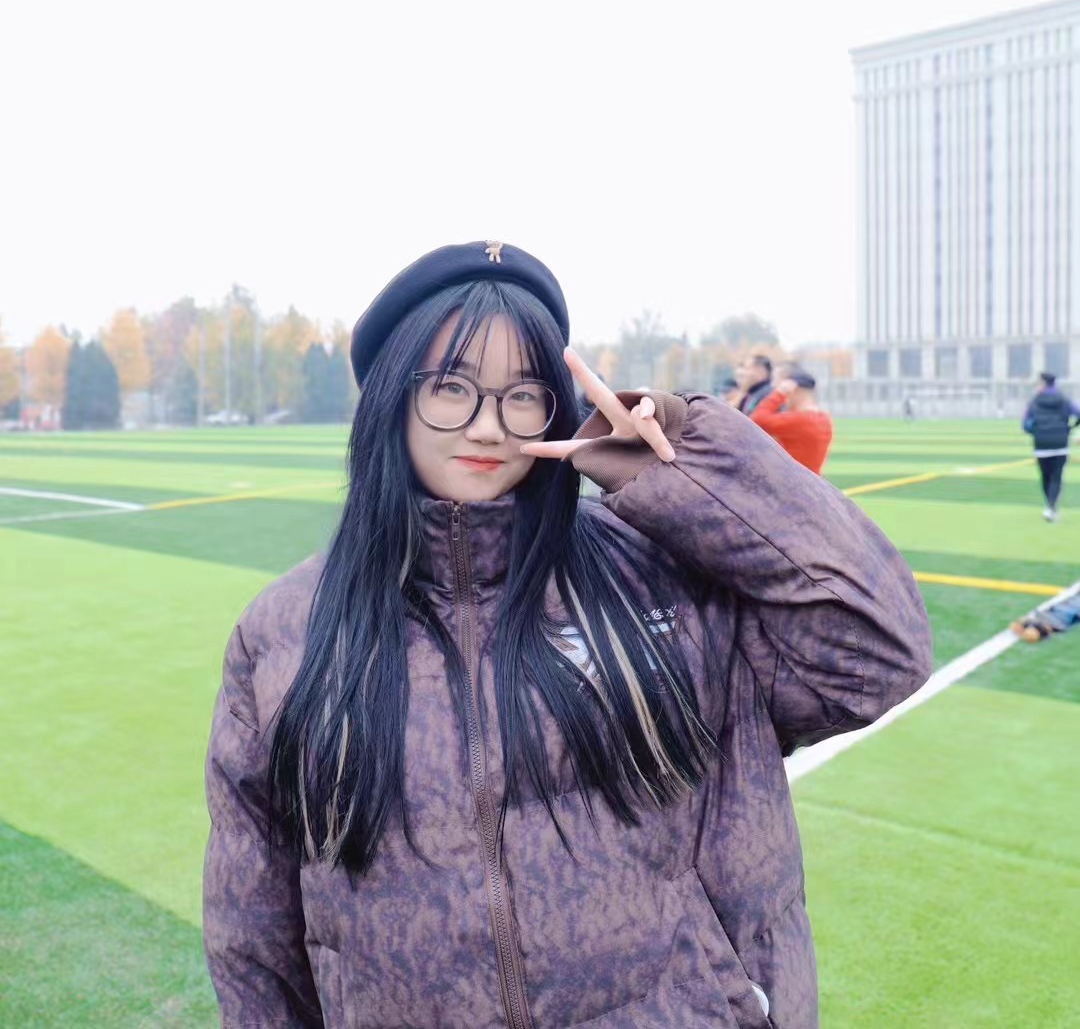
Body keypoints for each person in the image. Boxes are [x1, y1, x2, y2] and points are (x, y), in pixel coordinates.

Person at [203, 241, 932, 1028]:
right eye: (450, 387)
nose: (489, 425)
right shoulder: (284, 630)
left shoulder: (660, 570)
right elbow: (253, 928)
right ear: (390, 397)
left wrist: (689, 466)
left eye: (523, 393)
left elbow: (877, 654)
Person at [749, 370, 834, 475]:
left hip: (792, 480)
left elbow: (757, 420)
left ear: (795, 391)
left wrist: (779, 393)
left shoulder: (800, 420)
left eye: (787, 393)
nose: (785, 400)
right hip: (811, 479)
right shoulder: (824, 418)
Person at [1022, 371, 1080, 522]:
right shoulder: (1064, 399)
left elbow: (1026, 425)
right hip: (1060, 443)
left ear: (1043, 384)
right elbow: (1078, 414)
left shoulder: (1034, 401)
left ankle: (1050, 507)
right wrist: (1070, 428)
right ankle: (1051, 508)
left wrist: (1036, 432)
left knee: (1045, 477)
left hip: (1041, 444)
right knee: (1056, 477)